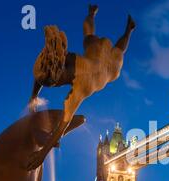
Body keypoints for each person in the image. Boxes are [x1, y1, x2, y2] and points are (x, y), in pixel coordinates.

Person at [27, 4, 136, 170]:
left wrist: (41, 155)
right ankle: (94, 14)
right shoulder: (66, 58)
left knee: (119, 51)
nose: (56, 86)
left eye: (54, 84)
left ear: (60, 77)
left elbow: (62, 126)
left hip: (106, 69)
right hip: (94, 51)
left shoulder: (81, 87)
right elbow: (41, 75)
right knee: (89, 36)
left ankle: (129, 29)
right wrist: (33, 97)